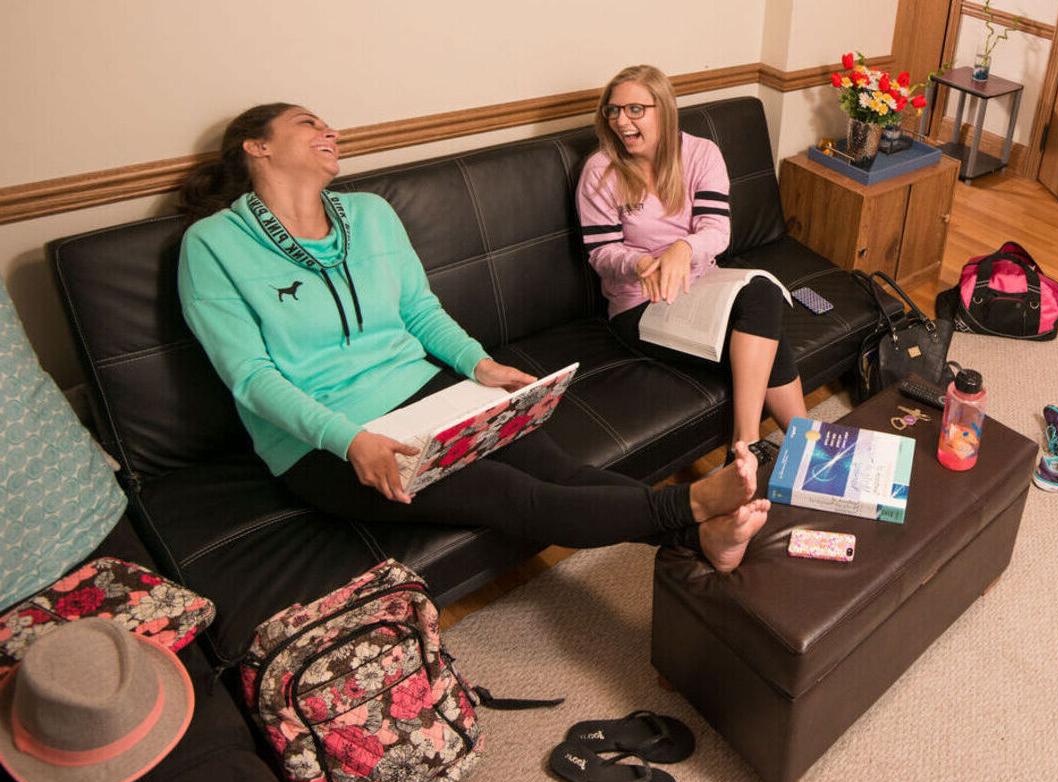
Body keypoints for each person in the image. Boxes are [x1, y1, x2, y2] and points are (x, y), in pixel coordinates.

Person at [176, 102, 770, 573]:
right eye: (308, 123)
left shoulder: (370, 213)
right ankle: (691, 509)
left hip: (425, 389)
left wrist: (481, 368)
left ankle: (706, 538)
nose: (330, 129)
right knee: (511, 495)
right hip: (322, 440)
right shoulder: (212, 245)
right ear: (258, 147)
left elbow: (420, 312)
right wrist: (352, 441)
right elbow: (250, 378)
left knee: (558, 468)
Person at [577, 65, 809, 463]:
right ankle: (792, 447)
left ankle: (746, 448)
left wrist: (683, 249)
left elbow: (717, 231)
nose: (621, 121)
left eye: (635, 109)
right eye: (613, 111)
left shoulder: (702, 154)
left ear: (664, 110)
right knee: (764, 336)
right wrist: (640, 264)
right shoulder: (600, 171)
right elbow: (601, 253)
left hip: (704, 286)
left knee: (764, 295)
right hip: (640, 305)